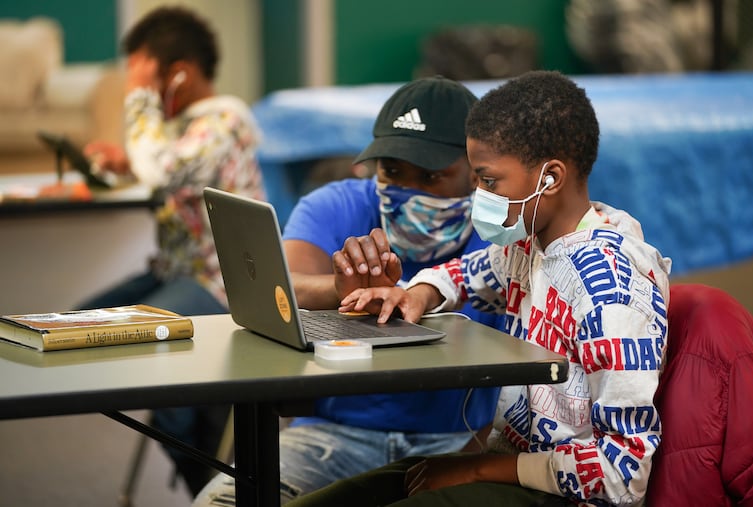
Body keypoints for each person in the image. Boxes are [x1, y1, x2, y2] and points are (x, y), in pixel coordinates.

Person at [288, 70, 672, 506]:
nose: (478, 196)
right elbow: (465, 274)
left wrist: (477, 467)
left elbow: (622, 476)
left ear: (551, 178)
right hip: (510, 466)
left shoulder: (611, 289)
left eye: (488, 182)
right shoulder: (529, 248)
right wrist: (415, 293)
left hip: (562, 493)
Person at [194, 76, 506, 505]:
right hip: (333, 439)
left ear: (477, 175)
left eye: (431, 175)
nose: (406, 191)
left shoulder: (504, 236)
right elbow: (279, 289)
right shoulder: (336, 205)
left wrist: (475, 460)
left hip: (461, 440)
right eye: (391, 171)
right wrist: (340, 288)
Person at [76, 5, 265, 497]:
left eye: (141, 73)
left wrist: (141, 99)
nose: (131, 87)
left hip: (222, 284)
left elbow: (164, 170)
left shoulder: (226, 119)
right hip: (176, 273)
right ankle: (203, 414)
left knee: (168, 400)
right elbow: (168, 171)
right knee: (73, 327)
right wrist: (127, 163)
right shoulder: (187, 128)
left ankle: (213, 479)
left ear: (177, 73)